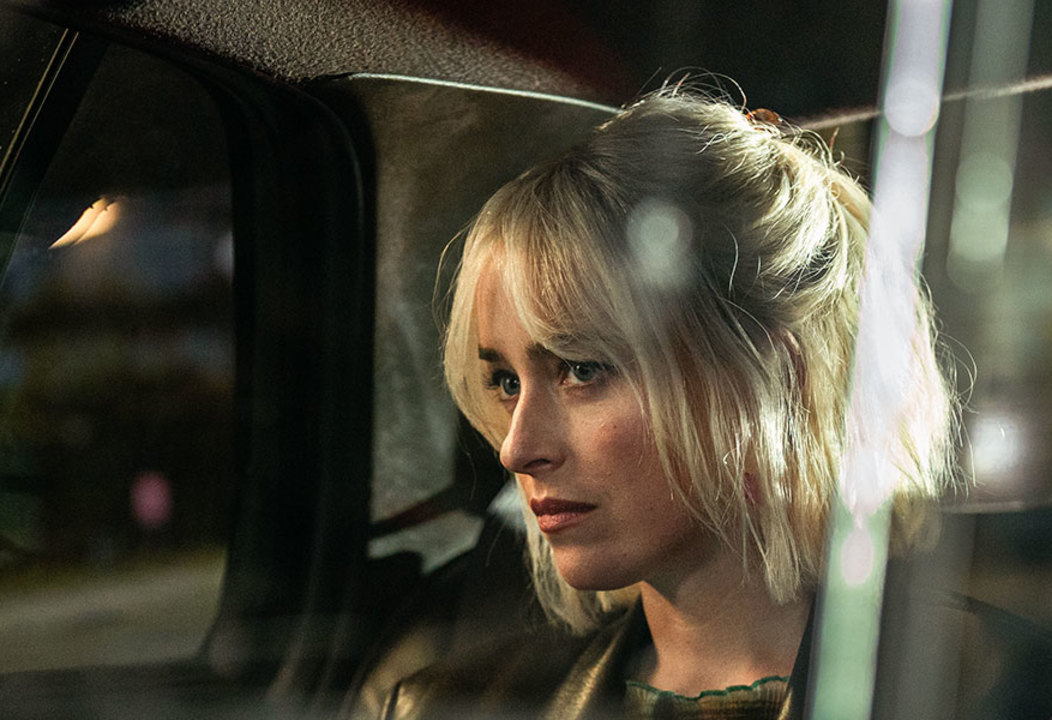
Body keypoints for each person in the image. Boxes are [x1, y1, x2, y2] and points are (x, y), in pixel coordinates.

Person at [384, 86, 956, 719]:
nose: (517, 449)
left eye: (581, 369)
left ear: (771, 380)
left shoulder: (1006, 694)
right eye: (507, 382)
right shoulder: (440, 708)